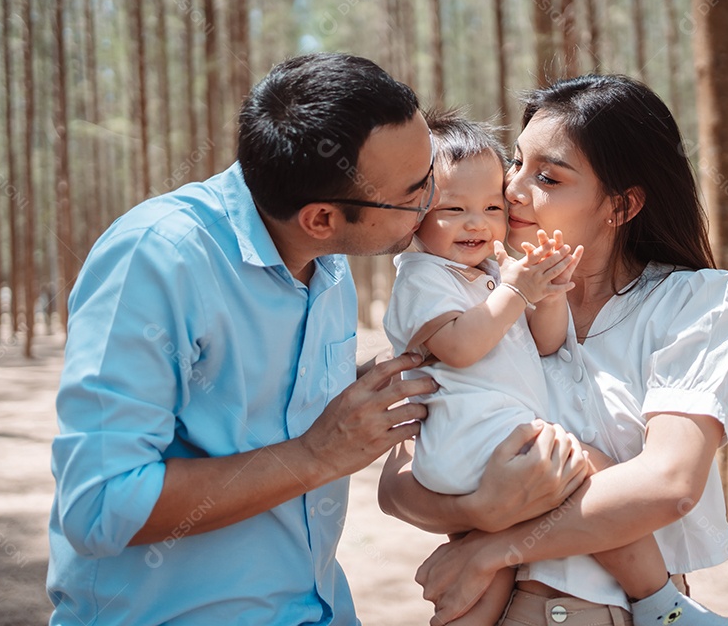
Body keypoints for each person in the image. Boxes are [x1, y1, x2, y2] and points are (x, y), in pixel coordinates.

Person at [48, 52, 454, 624]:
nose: (431, 203)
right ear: (320, 218)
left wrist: (353, 391)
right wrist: (314, 455)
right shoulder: (159, 258)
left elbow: (259, 413)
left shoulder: (326, 262)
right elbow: (100, 506)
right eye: (414, 192)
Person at [379, 75, 728, 626]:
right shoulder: (473, 295)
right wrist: (476, 510)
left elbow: (669, 486)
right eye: (516, 164)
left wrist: (493, 546)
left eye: (548, 176)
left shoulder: (697, 302)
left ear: (621, 206)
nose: (512, 190)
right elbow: (397, 484)